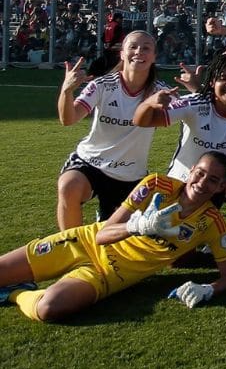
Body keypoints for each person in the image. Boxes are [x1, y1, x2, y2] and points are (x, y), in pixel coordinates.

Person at [0, 152, 226, 322]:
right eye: (200, 173)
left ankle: (15, 292)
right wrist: (138, 226)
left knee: (49, 308)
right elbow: (102, 235)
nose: (202, 183)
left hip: (107, 274)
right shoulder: (156, 185)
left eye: (213, 180)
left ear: (220, 187)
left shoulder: (212, 223)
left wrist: (208, 289)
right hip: (83, 242)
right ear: (191, 170)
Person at [133, 53, 226, 283]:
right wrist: (149, 103)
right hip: (187, 185)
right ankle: (205, 235)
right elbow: (141, 120)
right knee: (179, 261)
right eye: (223, 78)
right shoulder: (195, 103)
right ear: (212, 81)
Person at [56, 31, 171, 229]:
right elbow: (68, 119)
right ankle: (71, 244)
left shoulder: (161, 92)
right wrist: (66, 91)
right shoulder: (102, 85)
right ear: (122, 54)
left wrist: (195, 90)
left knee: (119, 237)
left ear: (154, 56)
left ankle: (106, 215)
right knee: (69, 186)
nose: (139, 52)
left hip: (130, 174)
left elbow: (191, 111)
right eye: (133, 47)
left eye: (146, 48)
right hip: (91, 162)